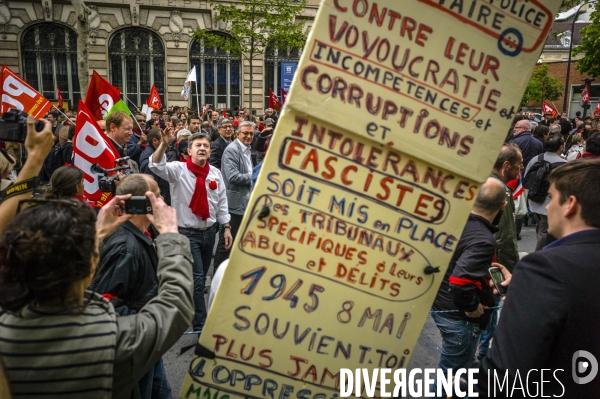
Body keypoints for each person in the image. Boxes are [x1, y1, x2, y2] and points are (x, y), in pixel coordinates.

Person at [0, 184, 194, 397]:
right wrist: (170, 235)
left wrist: (98, 234)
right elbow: (176, 304)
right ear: (92, 265)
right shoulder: (112, 340)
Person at [476, 159, 600, 398]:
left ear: (570, 205)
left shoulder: (544, 268)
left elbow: (506, 376)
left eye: (551, 198)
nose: (546, 207)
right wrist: (527, 293)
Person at [89, 174, 172, 398]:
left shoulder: (144, 233)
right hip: (135, 349)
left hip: (147, 347)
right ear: (143, 203)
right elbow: (106, 305)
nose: (163, 200)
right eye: (157, 195)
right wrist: (146, 324)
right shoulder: (125, 248)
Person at [430, 177, 507, 398]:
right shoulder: (483, 240)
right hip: (459, 318)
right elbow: (461, 281)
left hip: (443, 306)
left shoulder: (456, 222)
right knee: (453, 376)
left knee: (450, 370)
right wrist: (471, 307)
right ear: (503, 205)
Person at [149, 131, 232, 332]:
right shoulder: (178, 170)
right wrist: (163, 145)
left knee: (201, 278)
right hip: (187, 234)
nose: (202, 148)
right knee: (197, 280)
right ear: (189, 151)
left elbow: (221, 203)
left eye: (206, 145)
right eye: (198, 145)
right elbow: (155, 166)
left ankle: (189, 309)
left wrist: (226, 227)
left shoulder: (215, 173)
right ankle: (200, 325)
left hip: (210, 232)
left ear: (210, 151)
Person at [477, 144, 522, 361]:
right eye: (518, 165)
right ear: (505, 166)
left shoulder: (480, 180)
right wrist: (511, 271)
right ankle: (482, 356)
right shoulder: (500, 191)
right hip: (493, 262)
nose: (520, 169)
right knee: (490, 312)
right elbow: (505, 237)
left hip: (476, 257)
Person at [215, 121, 254, 269]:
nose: (248, 136)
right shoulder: (232, 150)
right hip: (233, 205)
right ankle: (217, 279)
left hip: (245, 204)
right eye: (245, 133)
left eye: (251, 133)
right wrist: (256, 176)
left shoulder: (249, 150)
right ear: (238, 134)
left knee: (240, 243)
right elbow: (233, 176)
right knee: (226, 245)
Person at [524, 134, 567, 250]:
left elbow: (526, 177)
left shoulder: (536, 159)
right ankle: (538, 255)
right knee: (544, 230)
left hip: (534, 200)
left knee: (540, 227)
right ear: (561, 147)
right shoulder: (564, 165)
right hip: (549, 203)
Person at [139, 128, 171, 205]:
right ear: (155, 141)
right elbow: (151, 178)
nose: (167, 141)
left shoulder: (160, 152)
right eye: (163, 139)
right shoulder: (147, 156)